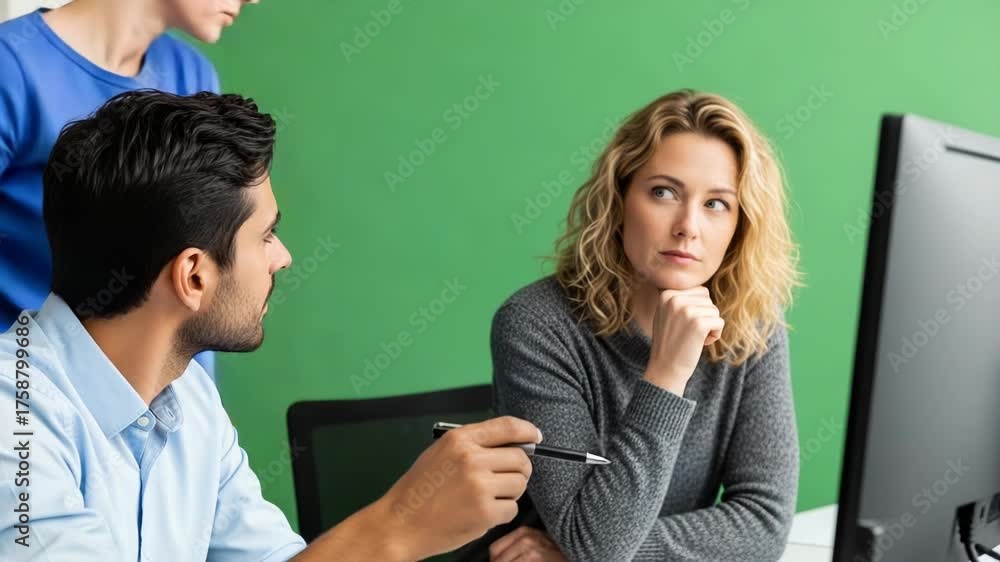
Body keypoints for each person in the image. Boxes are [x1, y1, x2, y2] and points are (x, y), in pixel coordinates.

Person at [0, 90, 540, 561]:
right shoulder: (14, 420)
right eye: (265, 237)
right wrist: (399, 527)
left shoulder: (189, 400)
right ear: (193, 275)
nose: (282, 258)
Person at [487, 89, 803, 561]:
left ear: (740, 226)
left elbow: (765, 524)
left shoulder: (752, 324)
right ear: (619, 201)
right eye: (663, 192)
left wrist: (580, 555)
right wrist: (667, 375)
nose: (688, 226)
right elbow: (597, 546)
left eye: (717, 204)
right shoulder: (537, 326)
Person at [0, 0, 260, 374]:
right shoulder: (12, 67)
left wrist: (196, 403)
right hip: (27, 386)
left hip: (162, 397)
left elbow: (197, 274)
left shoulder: (190, 76)